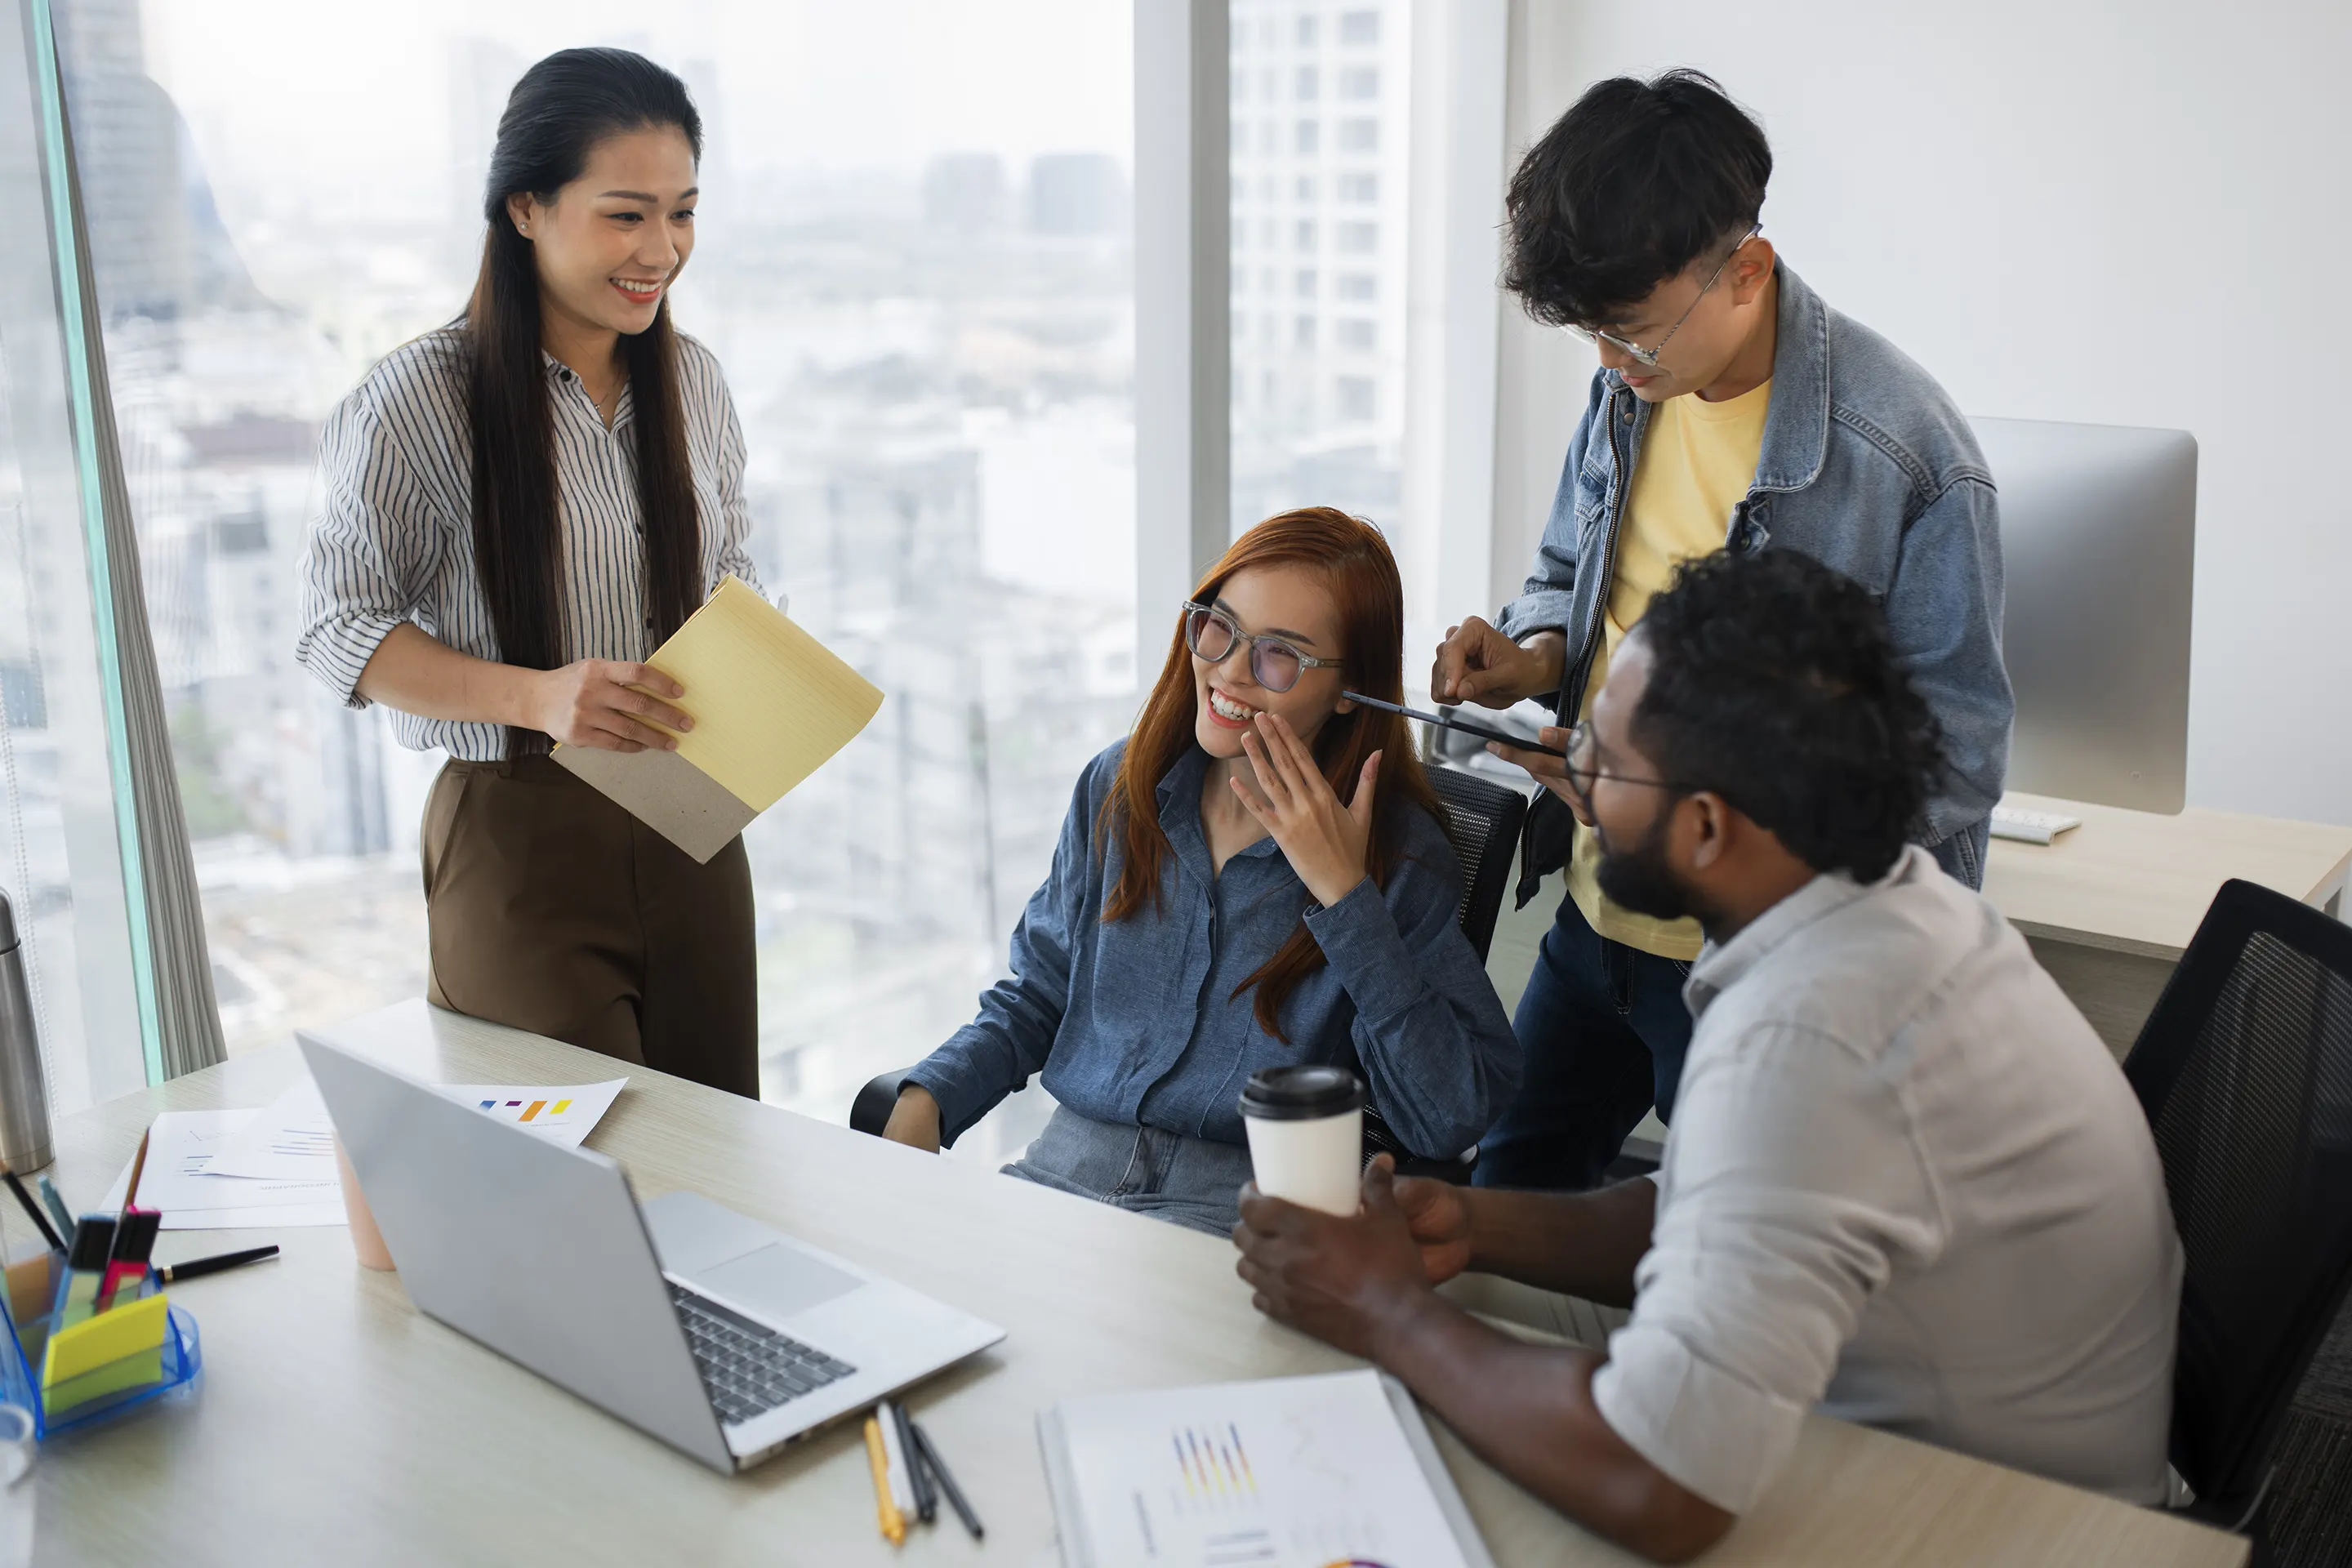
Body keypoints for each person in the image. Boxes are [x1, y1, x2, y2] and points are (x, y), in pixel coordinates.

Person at [1237, 550, 2179, 1564]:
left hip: (1994, 1525)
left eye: (1599, 751)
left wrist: (1382, 1312)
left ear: (1704, 825)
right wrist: (1472, 1220)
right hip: (1971, 1450)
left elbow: (1661, 1483)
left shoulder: (1808, 1041)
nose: (1567, 761)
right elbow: (1725, 1212)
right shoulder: (1889, 904)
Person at [1430, 70, 2014, 1190]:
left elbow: (1957, 759)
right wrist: (1535, 655)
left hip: (1774, 970)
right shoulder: (1631, 391)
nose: (1611, 366)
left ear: (1744, 271)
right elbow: (1571, 574)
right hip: (1600, 923)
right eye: (1597, 337)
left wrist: (1694, 807)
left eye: (1633, 336)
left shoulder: (1910, 460)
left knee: (1733, 1283)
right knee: (1496, 1221)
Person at [296, 49, 764, 1095]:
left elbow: (732, 576)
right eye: (625, 215)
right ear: (525, 207)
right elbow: (338, 628)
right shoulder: (418, 398)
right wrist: (541, 697)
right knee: (572, 1182)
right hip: (518, 837)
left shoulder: (695, 382)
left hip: (692, 821)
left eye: (682, 213)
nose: (662, 250)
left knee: (723, 1166)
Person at [881, 507, 1521, 1236]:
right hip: (1060, 1184)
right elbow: (1039, 995)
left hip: (1240, 1225)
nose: (1228, 671)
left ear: (1351, 691)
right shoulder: (1120, 789)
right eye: (1219, 626)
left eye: (1280, 654)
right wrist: (927, 1098)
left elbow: (1447, 1118)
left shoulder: (1397, 855)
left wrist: (1347, 899)